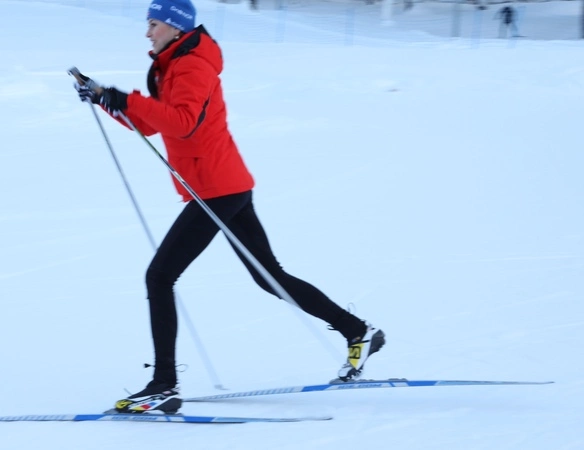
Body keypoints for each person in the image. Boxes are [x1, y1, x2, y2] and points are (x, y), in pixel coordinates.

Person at [73, 0, 385, 414]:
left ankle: (163, 385)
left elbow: (183, 122)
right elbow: (152, 122)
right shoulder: (173, 64)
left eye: (153, 24)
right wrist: (105, 100)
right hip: (223, 185)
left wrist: (119, 98)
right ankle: (358, 331)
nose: (147, 32)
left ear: (175, 26)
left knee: (160, 276)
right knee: (269, 277)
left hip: (216, 189)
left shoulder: (192, 64)